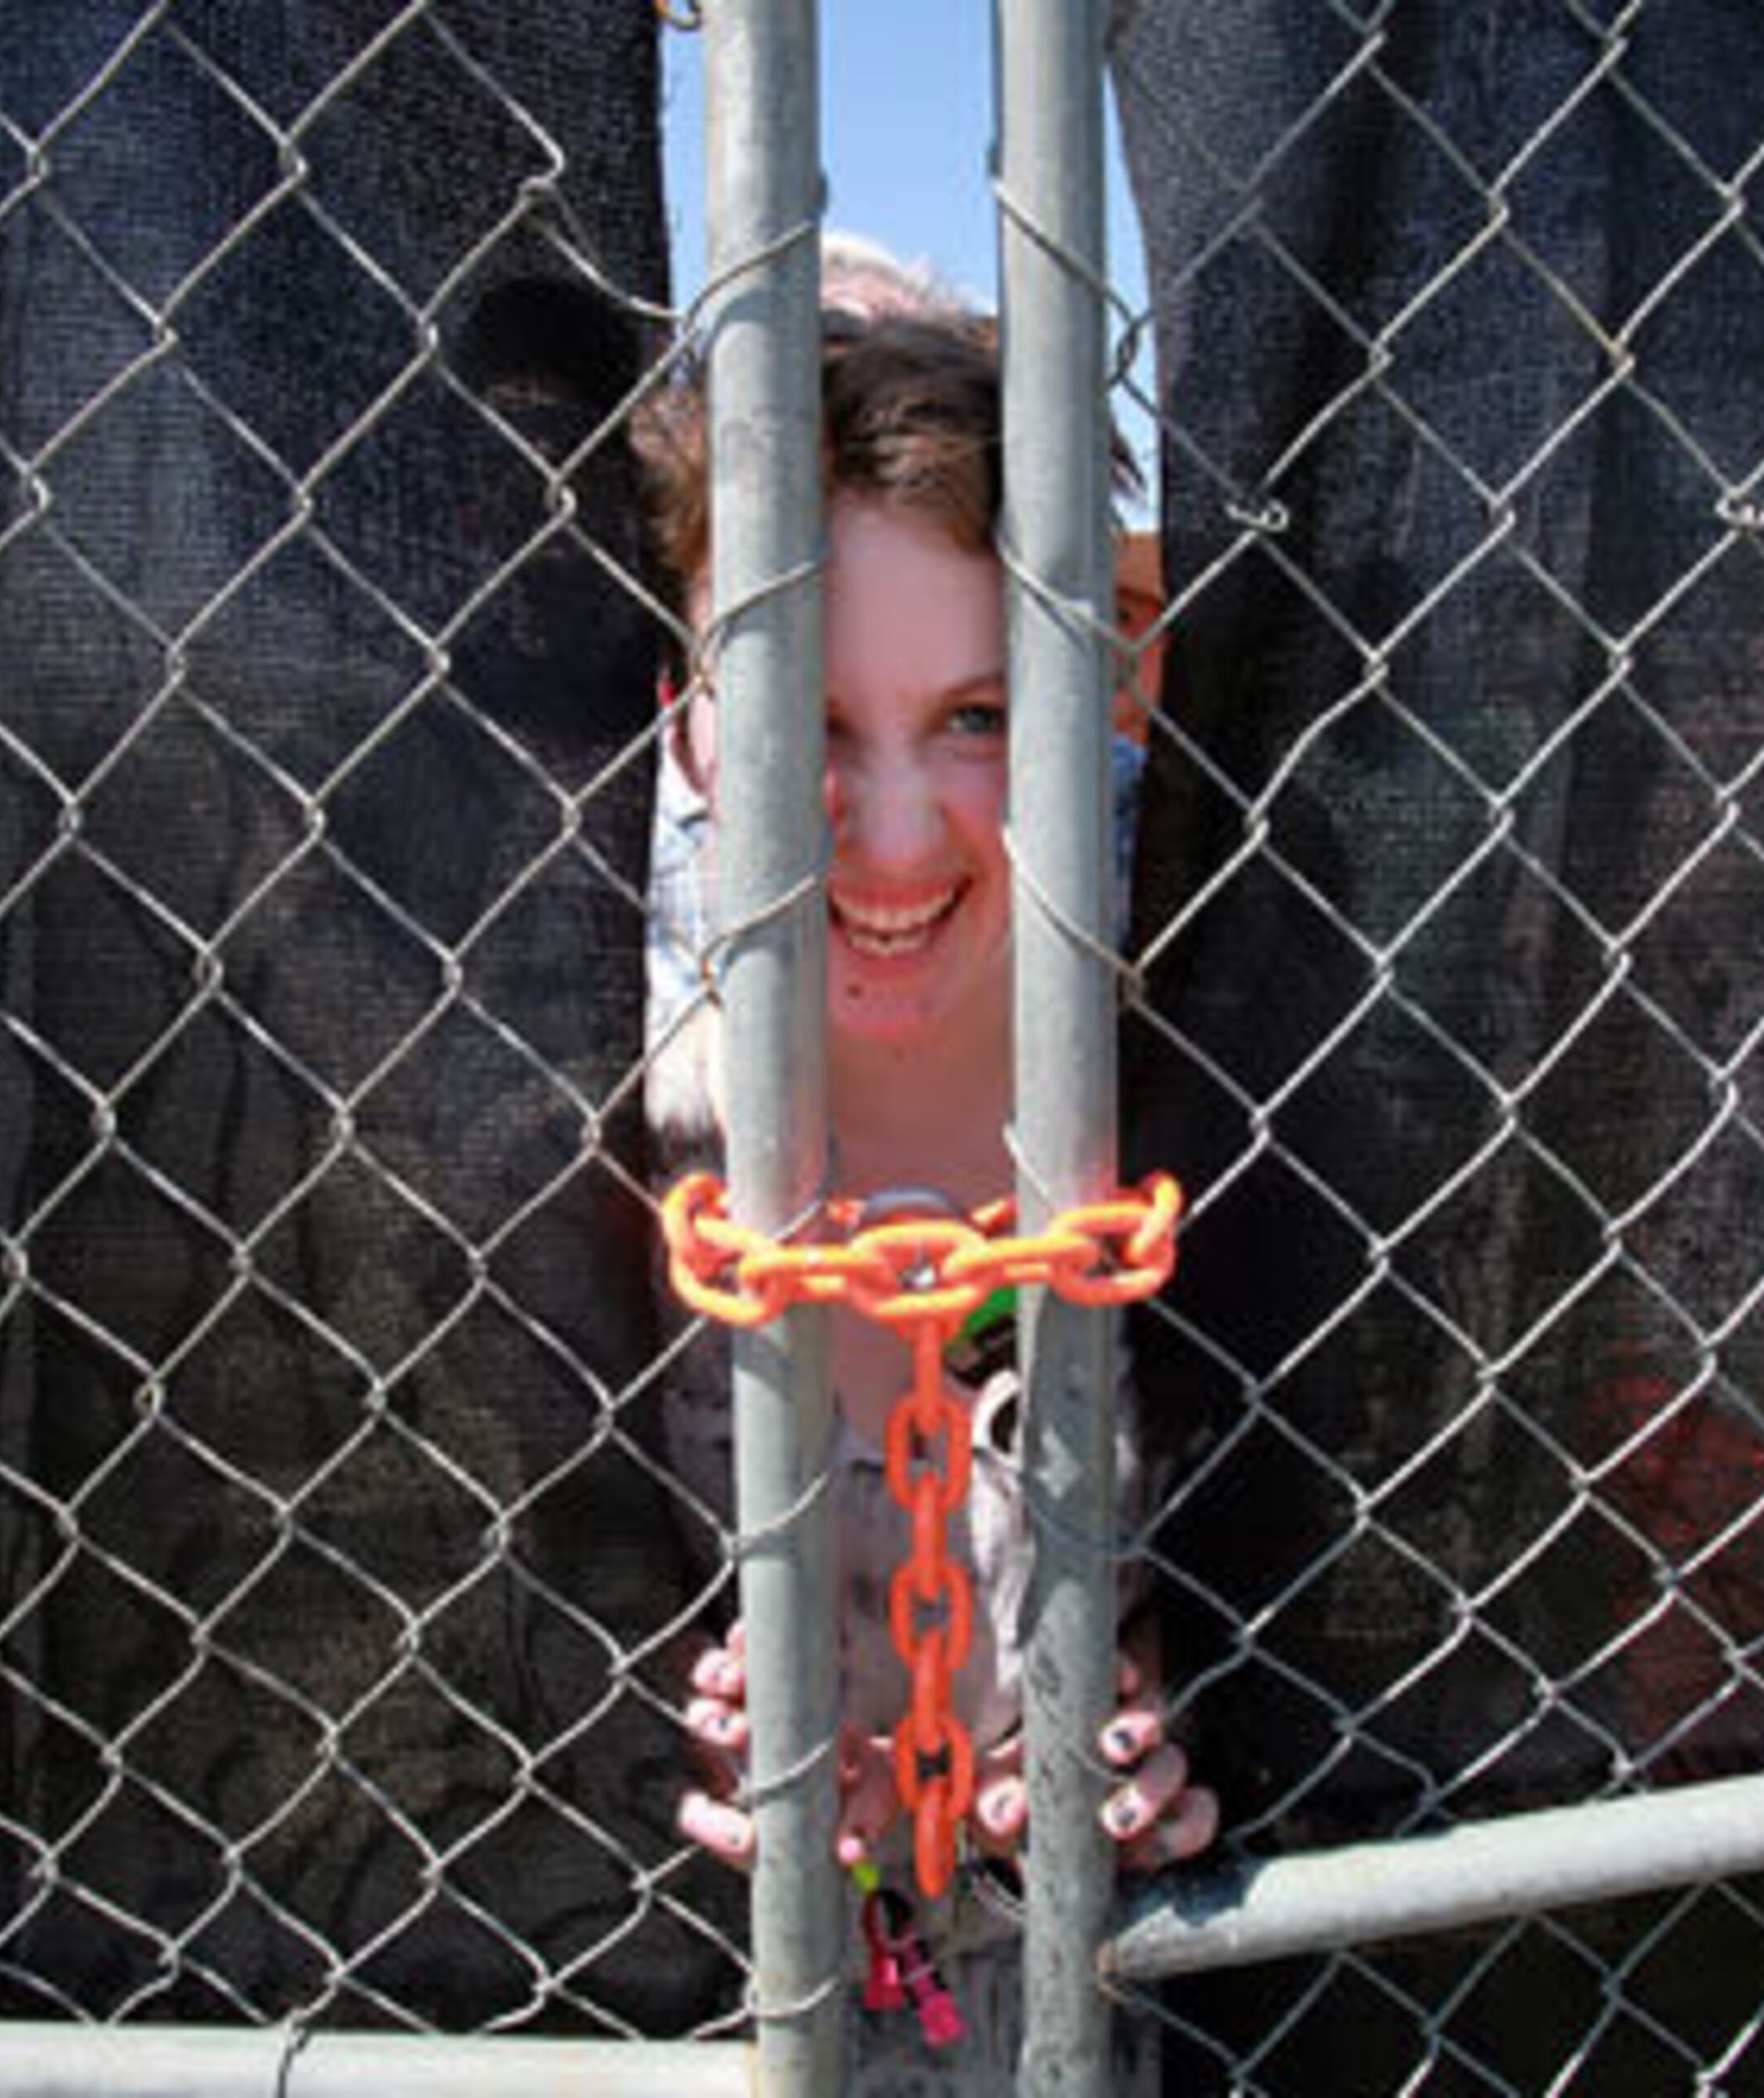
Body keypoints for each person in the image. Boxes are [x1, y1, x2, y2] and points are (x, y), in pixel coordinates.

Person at [633, 286, 1215, 2087]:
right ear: (683, 721)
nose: (888, 835)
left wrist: (1166, 1720)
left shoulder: (1209, 994)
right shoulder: (556, 1038)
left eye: (977, 715)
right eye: (806, 714)